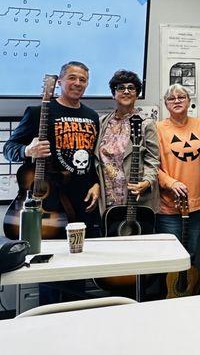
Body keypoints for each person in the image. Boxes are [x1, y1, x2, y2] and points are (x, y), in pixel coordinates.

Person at [5, 61, 101, 303]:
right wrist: (28, 149)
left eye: (82, 79)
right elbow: (9, 149)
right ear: (59, 82)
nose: (77, 83)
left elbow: (93, 158)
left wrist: (96, 183)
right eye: (72, 77)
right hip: (49, 204)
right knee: (48, 269)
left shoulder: (91, 116)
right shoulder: (37, 112)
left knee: (79, 267)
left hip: (82, 204)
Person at [95, 70, 160, 222]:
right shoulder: (102, 122)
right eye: (120, 88)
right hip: (108, 197)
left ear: (137, 94)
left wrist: (147, 182)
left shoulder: (146, 123)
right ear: (113, 94)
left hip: (136, 196)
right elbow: (95, 158)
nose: (126, 91)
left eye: (131, 88)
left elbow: (153, 159)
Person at [156, 84, 200, 256]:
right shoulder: (157, 129)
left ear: (189, 102)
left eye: (181, 97)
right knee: (170, 257)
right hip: (168, 206)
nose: (177, 101)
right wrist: (170, 183)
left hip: (197, 204)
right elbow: (150, 166)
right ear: (166, 104)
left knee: (190, 255)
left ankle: (188, 285)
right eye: (171, 98)